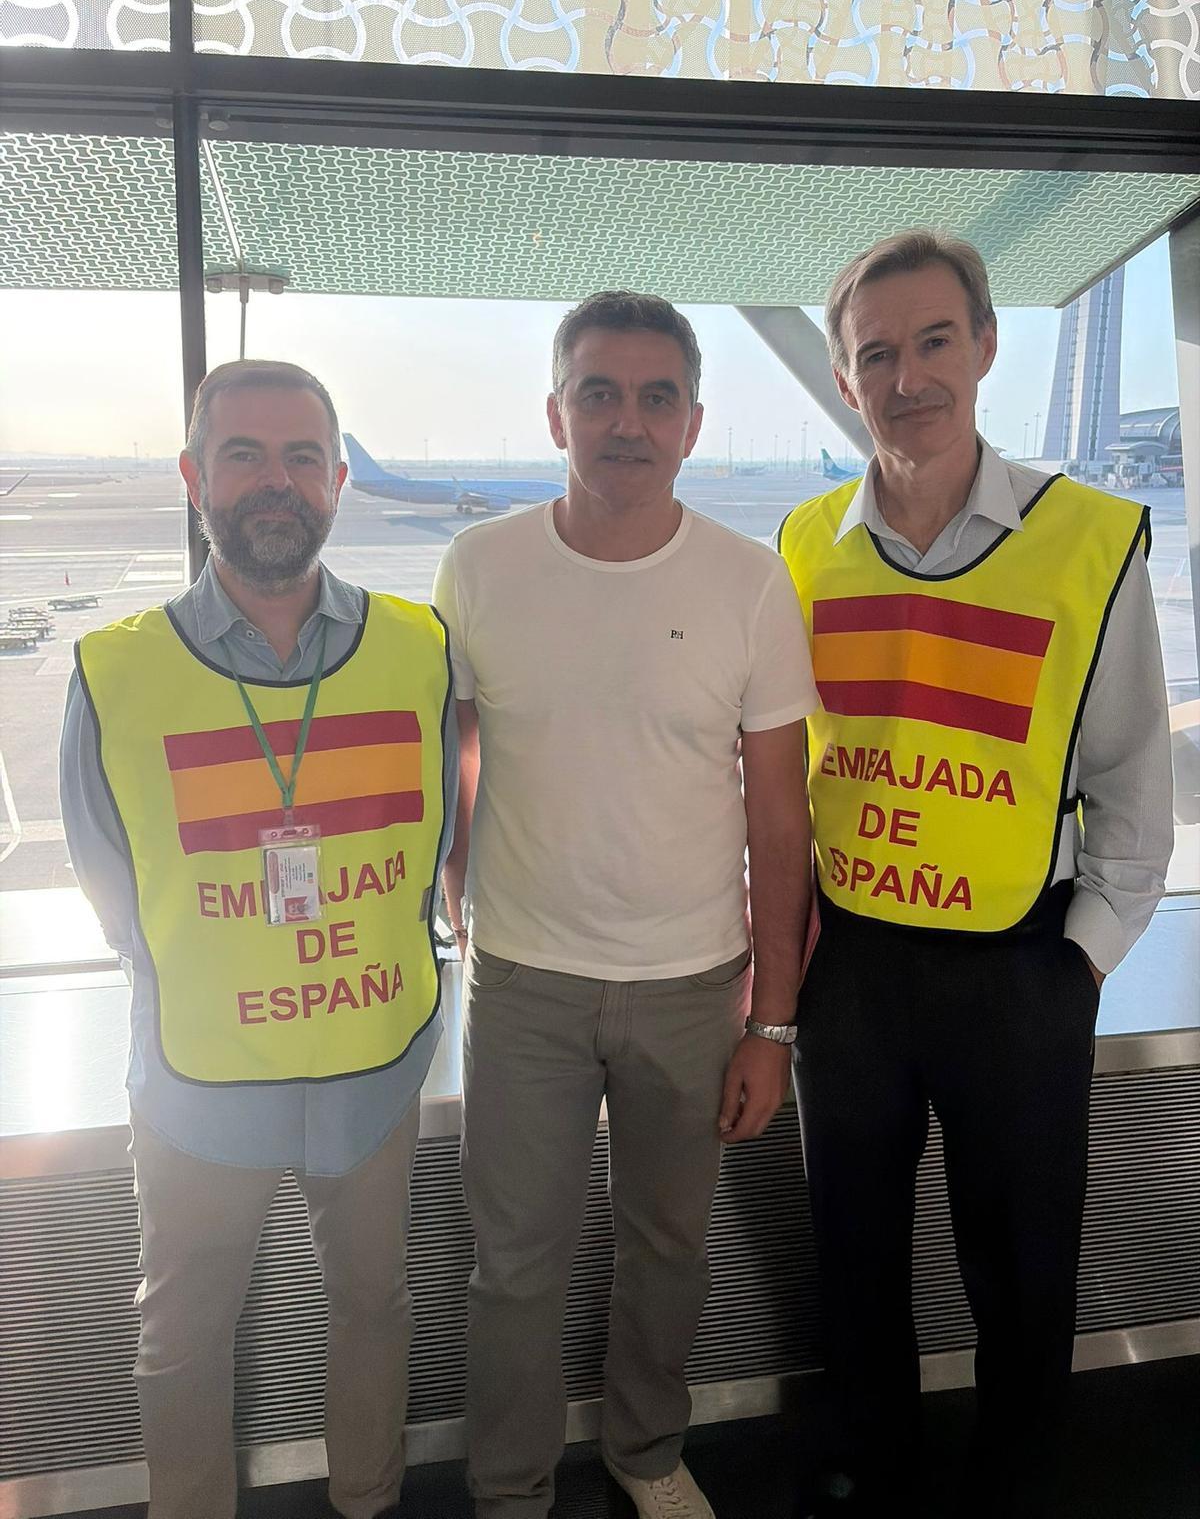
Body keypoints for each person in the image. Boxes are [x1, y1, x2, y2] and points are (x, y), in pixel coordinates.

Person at [776, 232, 1173, 1518]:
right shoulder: (800, 549)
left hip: (1020, 971)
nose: (909, 377)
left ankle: (1018, 1491)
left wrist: (1077, 967)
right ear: (846, 381)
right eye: (876, 354)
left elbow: (1129, 785)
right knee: (854, 1267)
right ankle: (877, 1482)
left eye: (934, 341)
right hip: (853, 970)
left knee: (1023, 1278)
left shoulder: (1088, 541)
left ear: (986, 348)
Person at [434, 291, 817, 1519]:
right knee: (514, 1271)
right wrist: (454, 872)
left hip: (695, 988)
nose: (626, 421)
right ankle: (509, 1490)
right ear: (556, 411)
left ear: (694, 424)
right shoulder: (479, 566)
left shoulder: (749, 583)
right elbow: (461, 746)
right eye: (599, 391)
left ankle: (648, 1452)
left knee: (667, 1254)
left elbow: (778, 821)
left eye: (657, 397)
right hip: (526, 986)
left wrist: (772, 1020)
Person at [59, 360, 455, 1519]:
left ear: (337, 481)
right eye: (243, 454)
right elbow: (109, 883)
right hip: (197, 1081)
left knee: (375, 1308)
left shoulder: (422, 649)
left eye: (299, 457)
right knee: (181, 1339)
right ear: (195, 477)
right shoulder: (116, 667)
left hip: (371, 1074)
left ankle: (368, 1501)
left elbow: (437, 838)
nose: (273, 482)